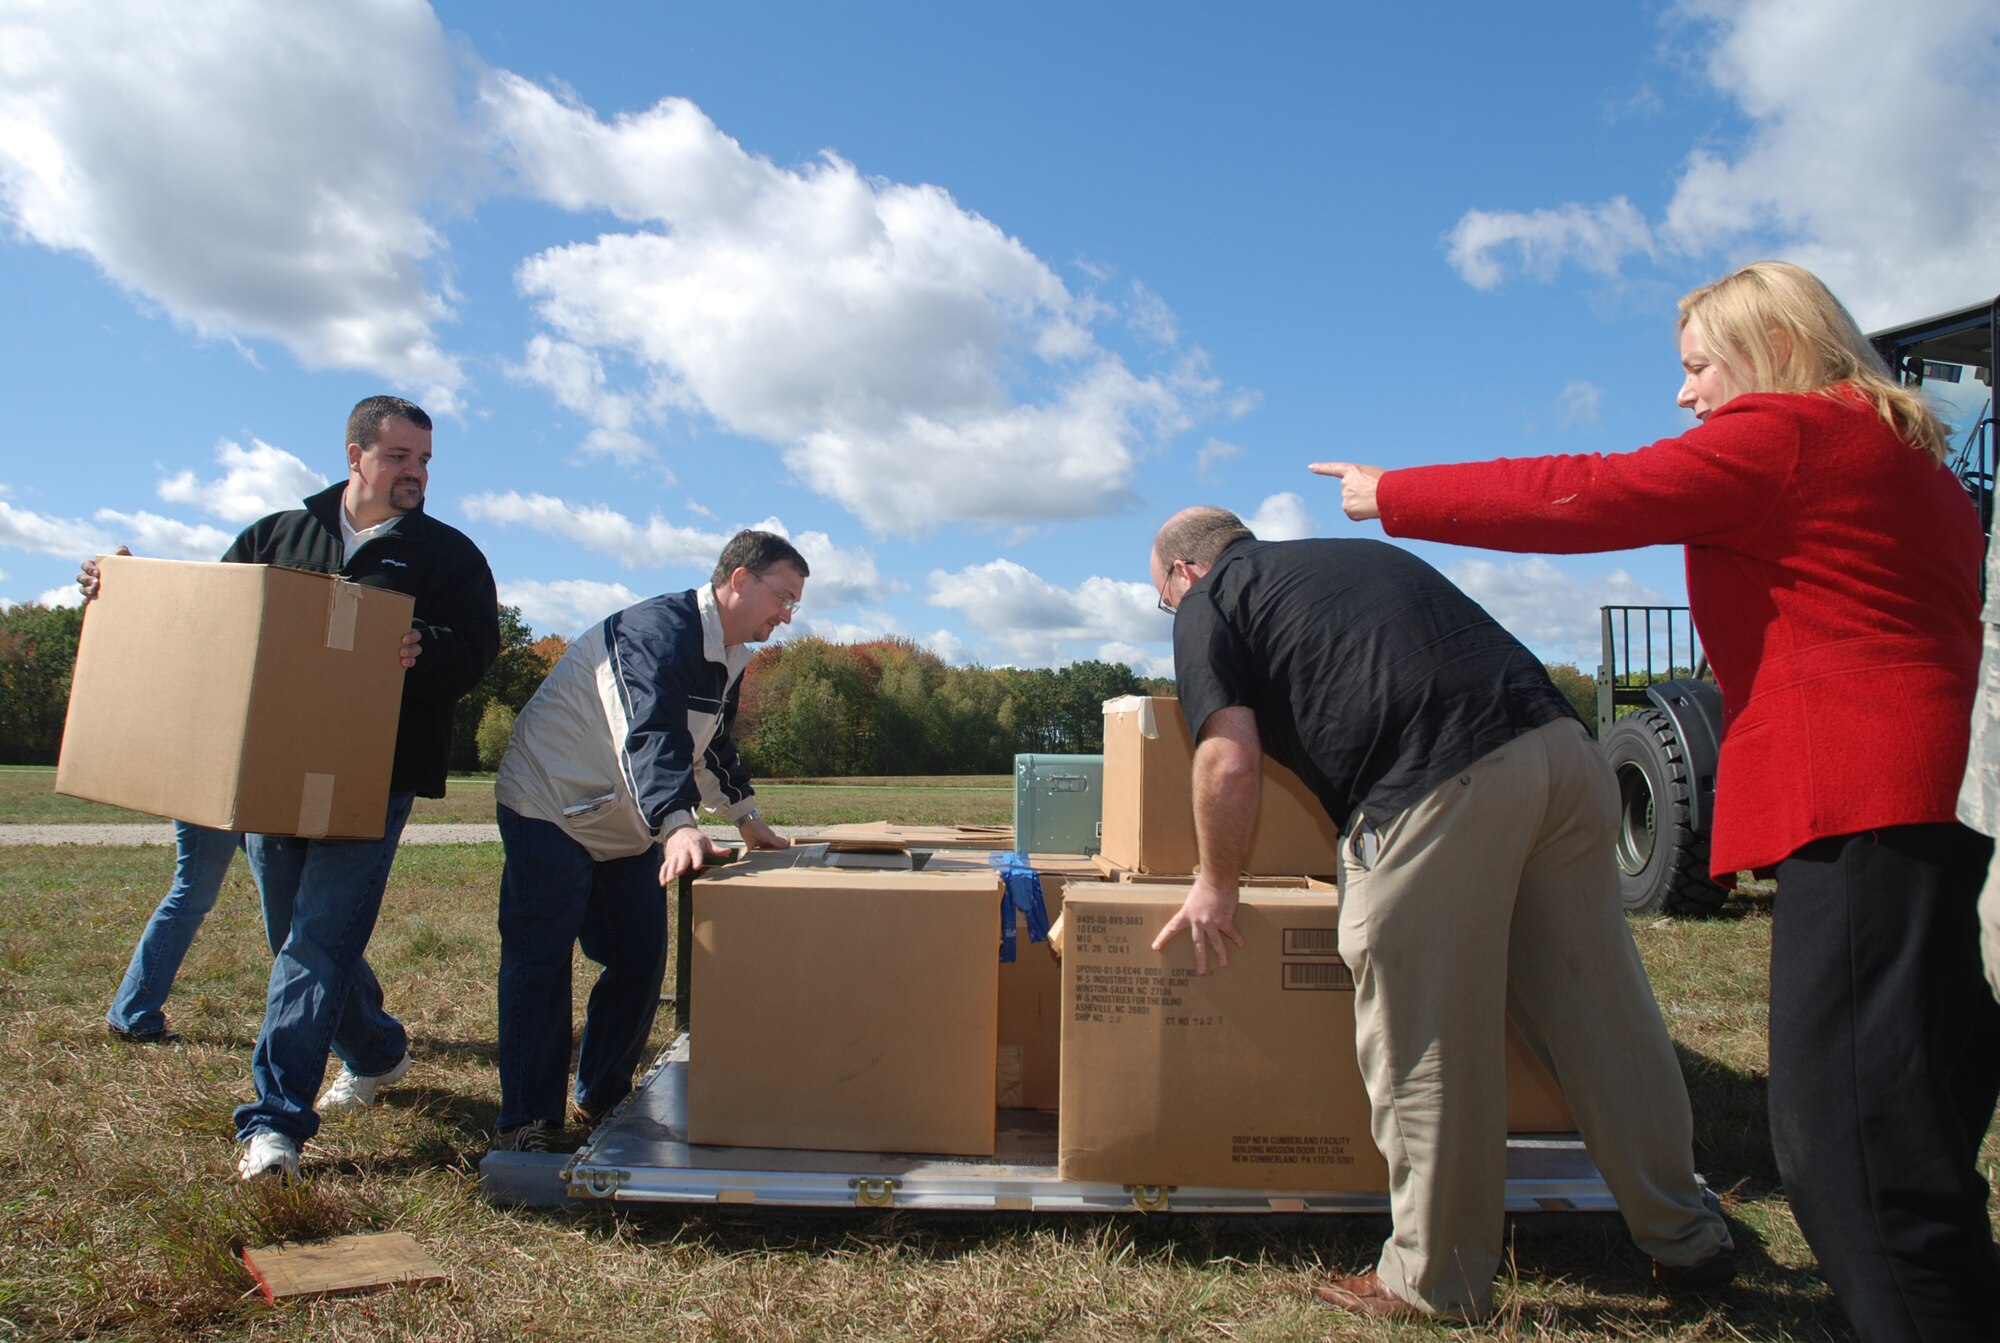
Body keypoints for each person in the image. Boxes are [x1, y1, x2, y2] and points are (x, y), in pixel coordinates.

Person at [1314, 260, 2000, 1341]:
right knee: (1915, 1119)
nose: (1683, 396)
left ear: (1769, 344)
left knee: (1844, 1143)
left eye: (1694, 366)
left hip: (1851, 808)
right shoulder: (1904, 452)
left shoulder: (1792, 435)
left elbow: (1593, 489)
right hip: (1912, 813)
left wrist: (1391, 493)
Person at [1148, 506, 1733, 1323]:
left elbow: (1226, 753)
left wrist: (1218, 881)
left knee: (1423, 1039)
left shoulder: (1213, 601)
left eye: (1163, 600)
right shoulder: (1341, 558)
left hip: (1436, 782)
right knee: (1600, 1013)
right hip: (1564, 758)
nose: (1172, 614)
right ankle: (1688, 1236)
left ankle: (1432, 1279)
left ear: (1182, 571)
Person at [219, 395, 500, 1182]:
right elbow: (217, 614)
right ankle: (377, 1049)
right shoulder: (281, 534)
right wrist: (118, 581)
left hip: (375, 775)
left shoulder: (449, 556)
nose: (416, 473)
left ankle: (274, 1125)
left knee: (318, 938)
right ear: (355, 456)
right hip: (274, 766)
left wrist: (426, 645)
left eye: (426, 461)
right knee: (297, 935)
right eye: (400, 457)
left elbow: (479, 648)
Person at [487, 530, 805, 1153]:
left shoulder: (730, 650)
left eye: (795, 605)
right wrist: (678, 823)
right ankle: (528, 1122)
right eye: (783, 598)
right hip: (549, 801)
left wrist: (745, 815)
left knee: (638, 956)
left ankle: (603, 1094)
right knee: (539, 960)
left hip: (625, 814)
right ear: (739, 579)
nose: (787, 616)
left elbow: (708, 741)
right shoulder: (653, 633)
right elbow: (648, 731)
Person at [78, 547, 249, 1045]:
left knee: (293, 908)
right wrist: (126, 576)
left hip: (251, 778)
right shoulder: (205, 635)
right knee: (194, 891)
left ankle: (341, 1023)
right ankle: (133, 1012)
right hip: (208, 776)